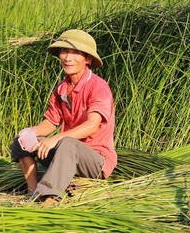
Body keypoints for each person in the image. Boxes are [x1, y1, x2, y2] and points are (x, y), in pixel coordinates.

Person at [10, 29, 117, 203]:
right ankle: (33, 193)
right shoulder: (62, 88)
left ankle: (49, 199)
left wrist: (55, 139)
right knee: (21, 142)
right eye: (64, 51)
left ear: (87, 59)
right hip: (65, 153)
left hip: (96, 160)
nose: (68, 57)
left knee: (67, 143)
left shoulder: (98, 87)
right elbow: (51, 122)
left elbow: (93, 125)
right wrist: (30, 132)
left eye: (75, 53)